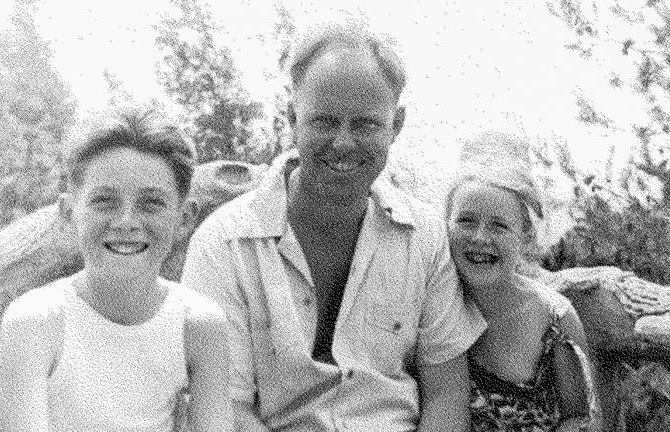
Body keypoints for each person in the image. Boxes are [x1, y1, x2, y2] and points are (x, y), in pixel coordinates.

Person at [181, 21, 486, 432]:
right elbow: (224, 410)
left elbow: (447, 394)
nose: (343, 143)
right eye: (325, 122)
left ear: (395, 126)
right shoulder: (222, 246)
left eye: (365, 124)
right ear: (293, 117)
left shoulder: (425, 236)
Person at [0, 109, 233, 432]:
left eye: (151, 203)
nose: (126, 222)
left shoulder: (199, 325)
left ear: (185, 218)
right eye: (104, 201)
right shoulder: (35, 322)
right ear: (68, 213)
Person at [444, 142, 599, 432]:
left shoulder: (553, 319)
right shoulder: (433, 303)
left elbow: (581, 418)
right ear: (446, 225)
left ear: (525, 237)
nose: (480, 237)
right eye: (466, 221)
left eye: (498, 226)